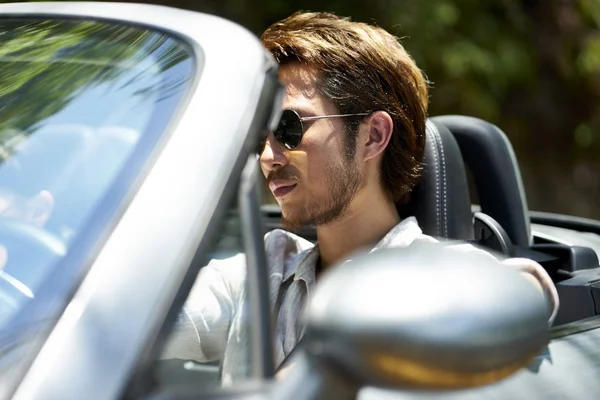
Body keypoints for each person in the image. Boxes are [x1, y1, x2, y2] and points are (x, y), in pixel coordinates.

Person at [162, 11, 559, 384]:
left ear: (373, 136)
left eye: (288, 127)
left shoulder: (435, 272)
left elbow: (523, 292)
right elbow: (129, 320)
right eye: (259, 135)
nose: (268, 157)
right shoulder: (261, 271)